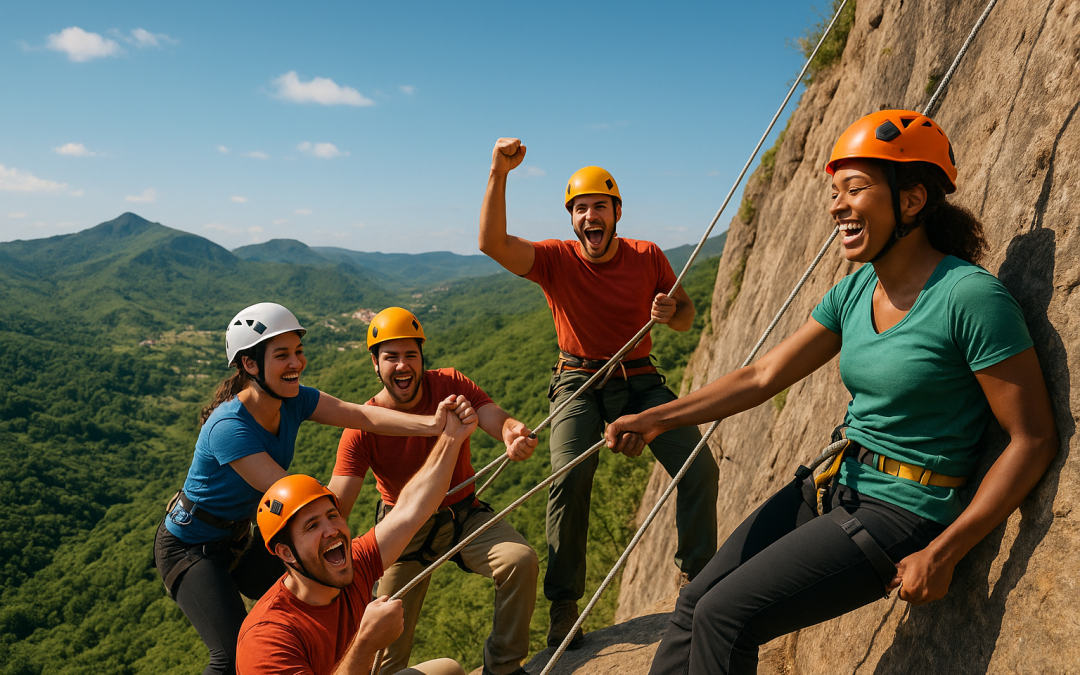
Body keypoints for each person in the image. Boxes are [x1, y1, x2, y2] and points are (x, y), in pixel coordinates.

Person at [604, 110, 1059, 674]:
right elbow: (762, 376)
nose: (836, 205)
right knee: (695, 602)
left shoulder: (970, 298)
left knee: (726, 616)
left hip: (903, 509)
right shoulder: (857, 287)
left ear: (912, 201)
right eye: (834, 191)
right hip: (837, 482)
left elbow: (1033, 438)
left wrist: (946, 550)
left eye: (855, 189)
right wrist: (659, 419)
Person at [479, 140, 721, 647]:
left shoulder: (647, 256)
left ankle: (696, 578)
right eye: (581, 208)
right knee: (569, 477)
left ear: (616, 214)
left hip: (639, 379)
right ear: (572, 221)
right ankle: (565, 605)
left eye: (600, 206)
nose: (591, 216)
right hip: (578, 381)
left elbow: (686, 318)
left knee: (698, 465)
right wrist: (499, 171)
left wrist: (669, 311)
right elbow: (492, 244)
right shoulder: (555, 260)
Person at [153, 302, 459, 675]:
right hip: (188, 548)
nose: (296, 362)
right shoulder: (228, 428)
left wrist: (432, 425)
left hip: (240, 540)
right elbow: (293, 496)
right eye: (282, 355)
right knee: (232, 655)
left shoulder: (292, 400)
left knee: (322, 590)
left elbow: (361, 415)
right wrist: (334, 519)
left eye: (298, 351)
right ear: (250, 365)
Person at [329, 307, 539, 675]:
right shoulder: (363, 427)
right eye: (390, 357)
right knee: (384, 642)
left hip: (462, 513)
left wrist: (510, 431)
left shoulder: (450, 386)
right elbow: (339, 502)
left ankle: (504, 668)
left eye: (411, 355)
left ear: (422, 358)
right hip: (402, 531)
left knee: (519, 561)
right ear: (375, 365)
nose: (402, 365)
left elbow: (490, 413)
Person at [235, 394, 477, 675]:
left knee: (447, 670)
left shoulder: (353, 564)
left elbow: (410, 508)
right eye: (312, 526)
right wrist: (366, 642)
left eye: (332, 515)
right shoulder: (268, 636)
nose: (331, 530)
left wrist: (451, 438)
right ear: (286, 552)